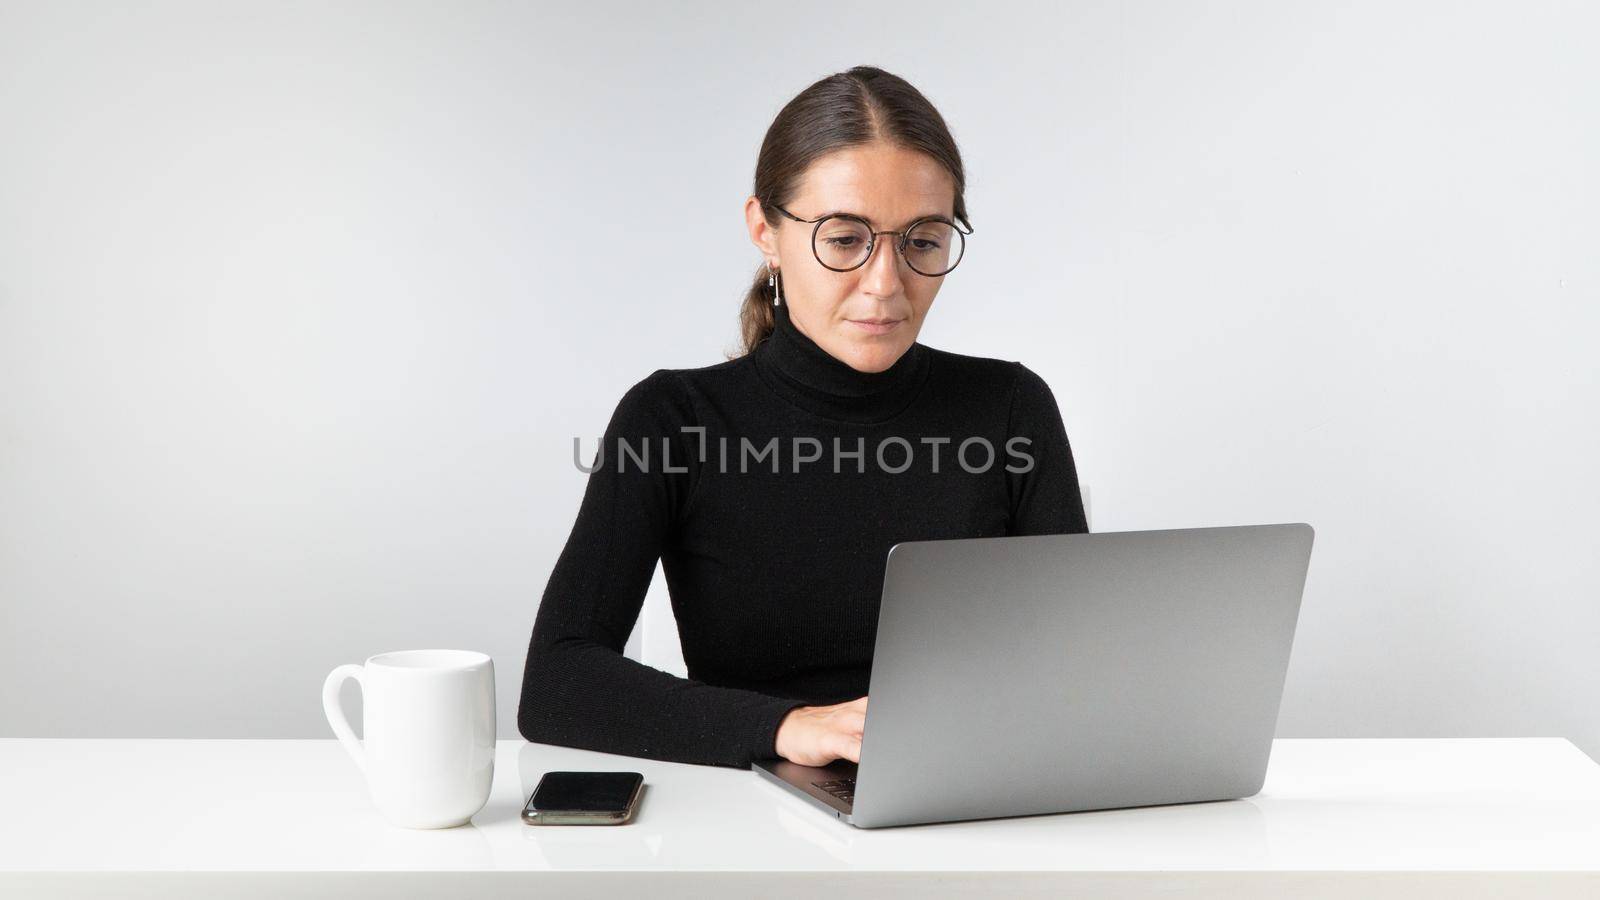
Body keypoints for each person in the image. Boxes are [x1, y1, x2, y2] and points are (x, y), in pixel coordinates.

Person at [518, 65, 1087, 769]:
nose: (885, 284)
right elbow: (557, 683)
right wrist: (788, 728)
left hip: (973, 807)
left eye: (923, 241)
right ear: (765, 230)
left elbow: (1073, 672)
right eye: (845, 239)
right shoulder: (671, 421)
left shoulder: (1010, 410)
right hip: (756, 821)